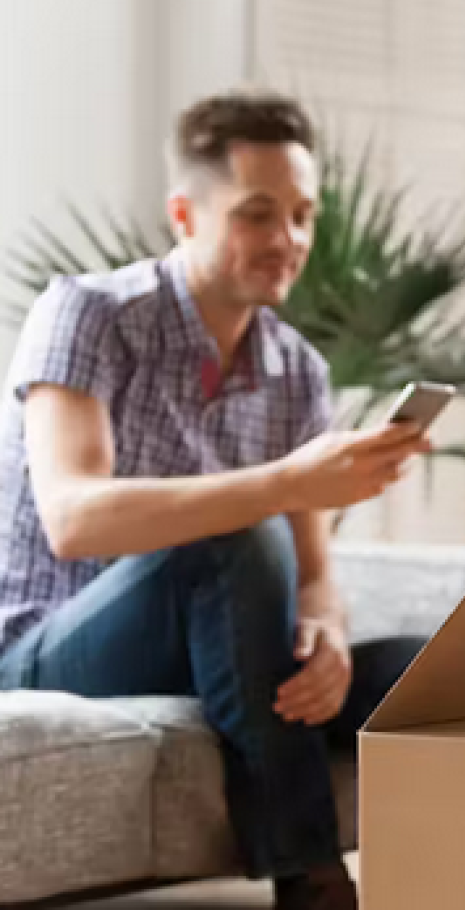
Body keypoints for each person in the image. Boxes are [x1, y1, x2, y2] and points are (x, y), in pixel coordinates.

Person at [0, 89, 429, 909]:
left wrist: (327, 637)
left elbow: (312, 575)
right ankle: (308, 873)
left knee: (434, 663)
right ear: (185, 216)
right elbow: (74, 518)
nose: (289, 241)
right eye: (258, 215)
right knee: (235, 537)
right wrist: (285, 483)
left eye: (303, 215)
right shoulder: (87, 315)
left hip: (220, 643)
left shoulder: (296, 368)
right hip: (47, 647)